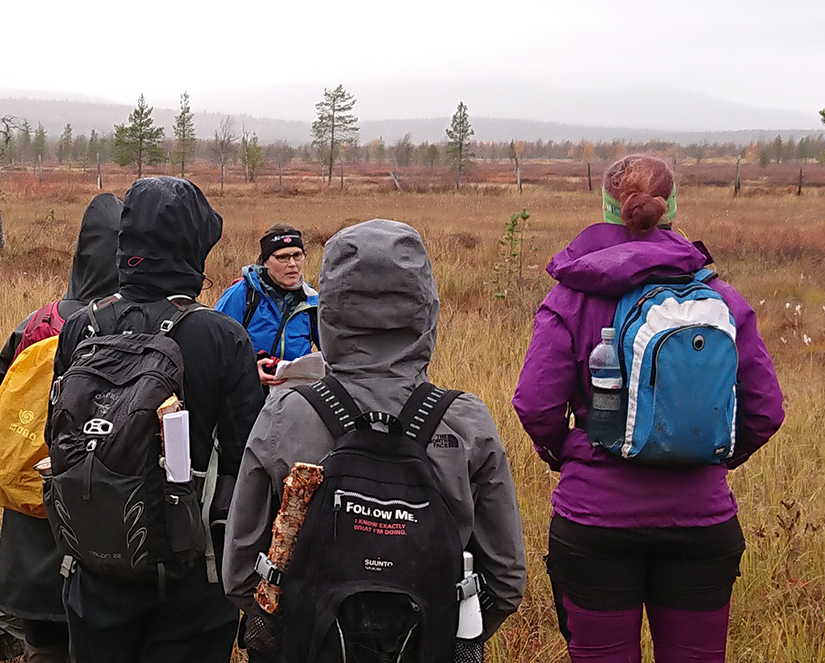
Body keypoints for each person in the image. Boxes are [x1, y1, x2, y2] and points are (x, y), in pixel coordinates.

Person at [513, 155, 784, 663]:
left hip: (594, 521)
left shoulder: (569, 298)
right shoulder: (719, 297)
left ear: (608, 210)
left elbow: (534, 403)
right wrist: (707, 452)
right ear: (672, 207)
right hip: (701, 523)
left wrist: (573, 449)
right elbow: (766, 410)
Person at [223, 219, 527, 654]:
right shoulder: (464, 421)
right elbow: (507, 580)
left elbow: (239, 573)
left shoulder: (285, 415)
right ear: (427, 307)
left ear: (327, 308)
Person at [49, 177, 264, 663]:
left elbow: (55, 436)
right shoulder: (221, 337)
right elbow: (246, 463)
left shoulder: (82, 327)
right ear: (192, 248)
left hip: (93, 572)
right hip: (191, 583)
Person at [0, 192, 123, 663]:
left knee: (41, 643)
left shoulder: (36, 322)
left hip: (29, 515)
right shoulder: (137, 325)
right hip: (100, 515)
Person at [214, 224, 319, 387]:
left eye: (297, 255)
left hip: (299, 393)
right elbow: (215, 349)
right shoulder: (241, 295)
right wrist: (249, 371)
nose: (292, 264)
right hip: (250, 394)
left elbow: (334, 352)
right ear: (265, 262)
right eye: (282, 257)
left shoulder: (312, 299)